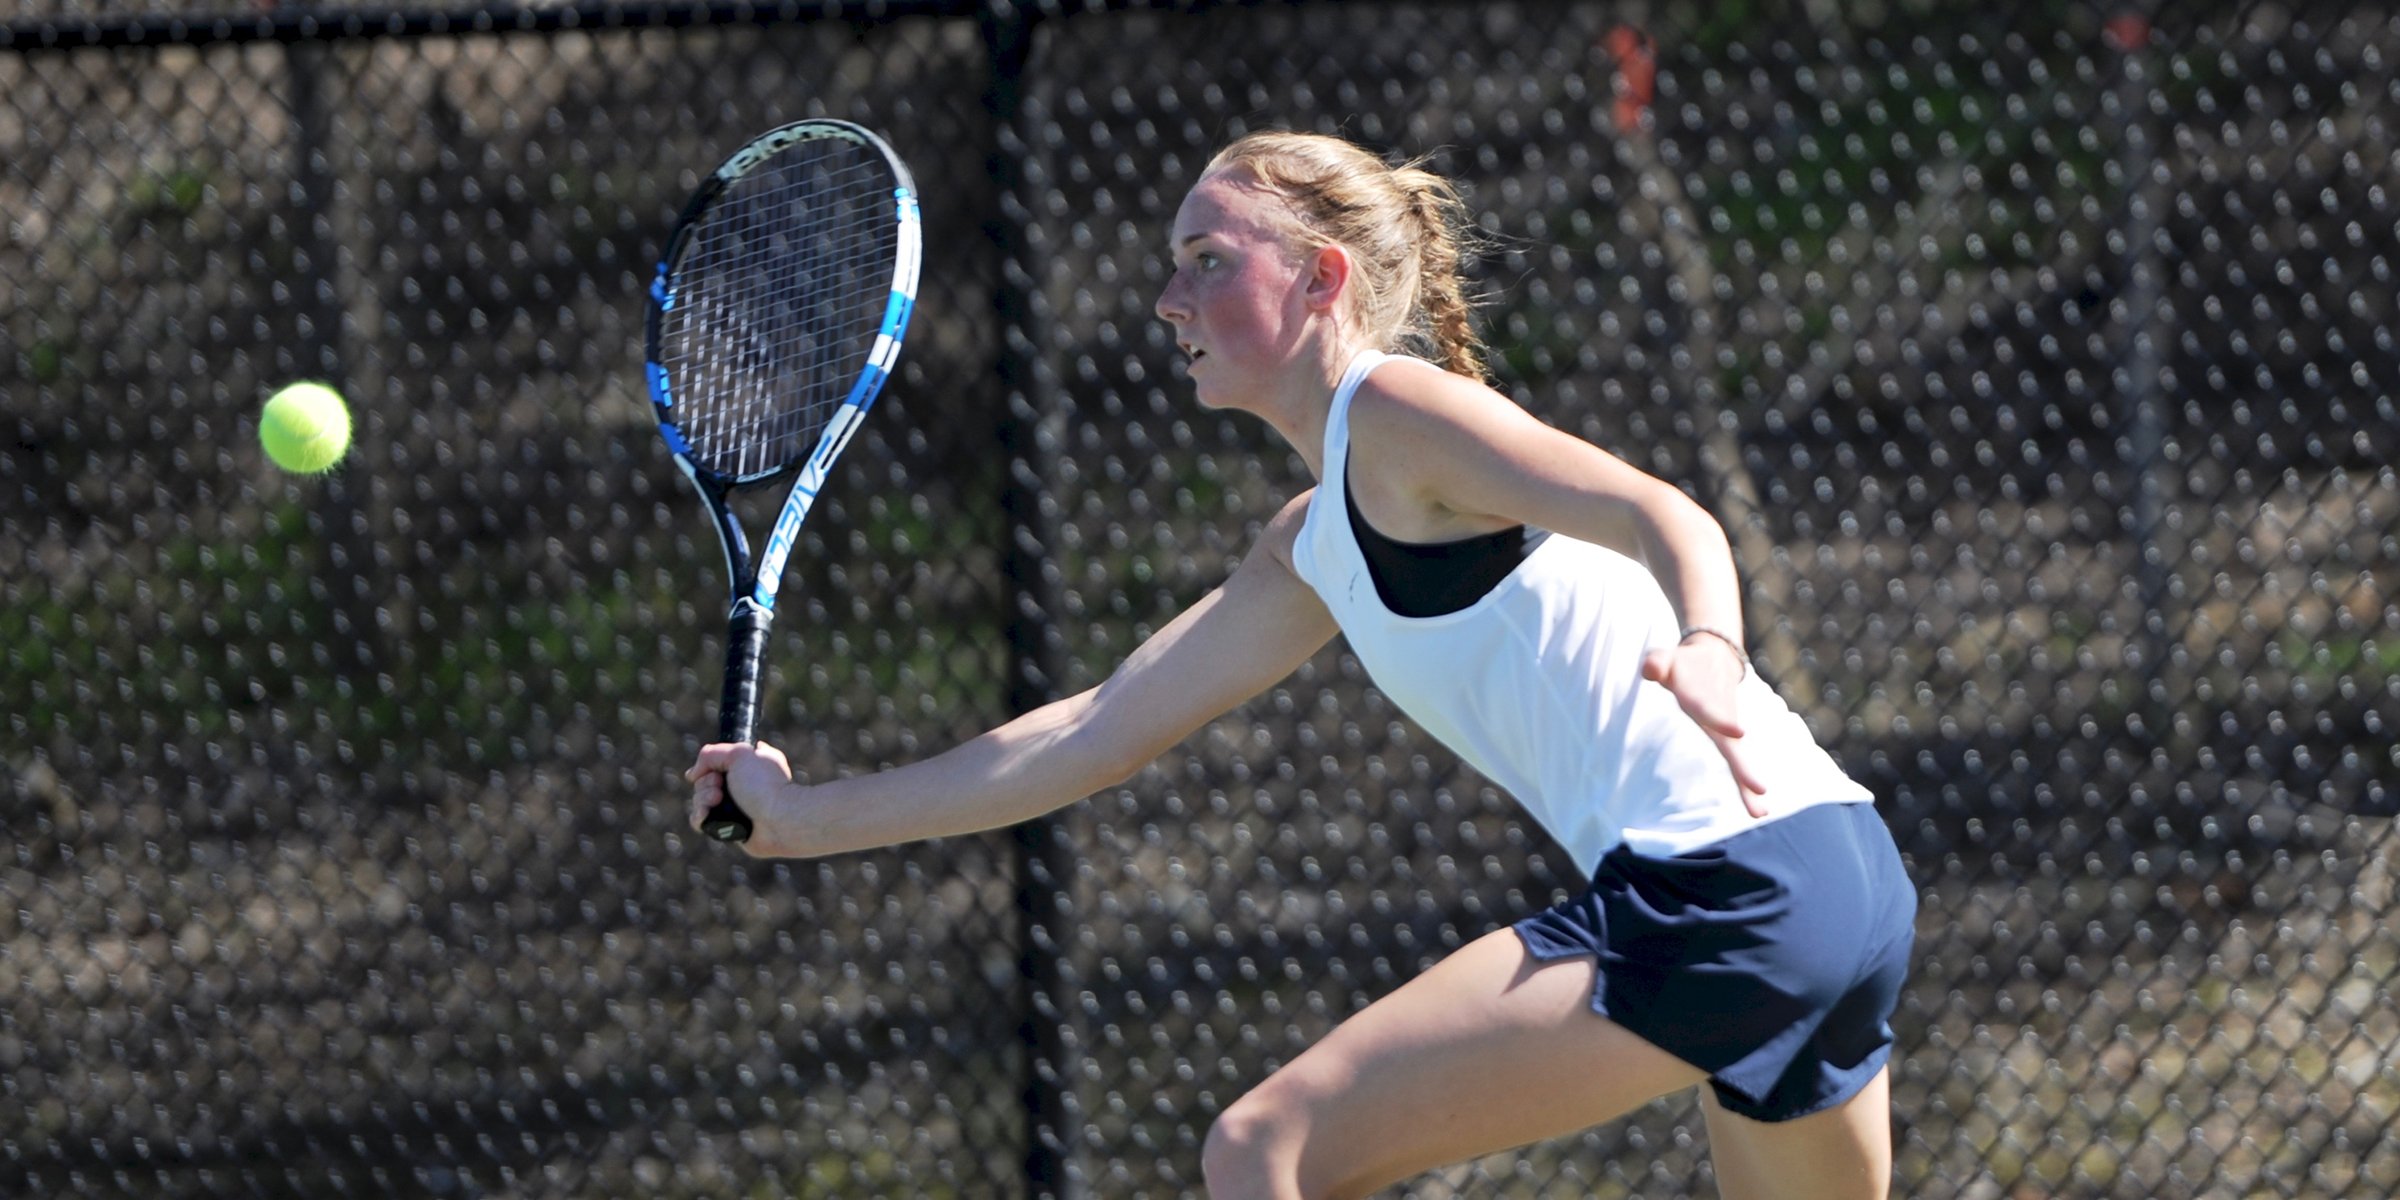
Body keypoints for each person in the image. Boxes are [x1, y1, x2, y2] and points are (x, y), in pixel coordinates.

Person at [687, 129, 1918, 1200]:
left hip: (1725, 891)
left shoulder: (1397, 414)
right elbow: (1094, 731)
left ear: (1321, 277)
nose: (1169, 300)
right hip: (1843, 876)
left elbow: (1668, 515)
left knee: (1260, 1152)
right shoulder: (1313, 539)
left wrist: (1710, 643)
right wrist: (801, 820)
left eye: (1208, 261)